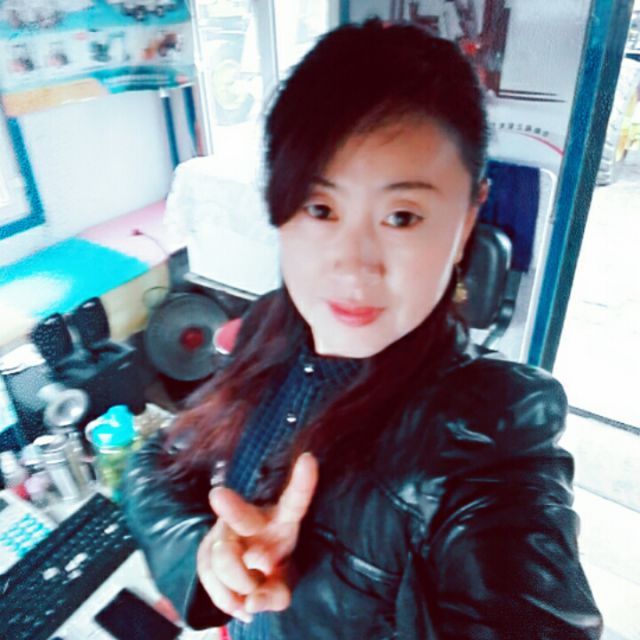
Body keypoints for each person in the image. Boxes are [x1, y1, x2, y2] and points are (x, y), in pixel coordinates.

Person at [122, 19, 603, 640]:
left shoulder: (487, 431)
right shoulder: (271, 323)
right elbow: (155, 463)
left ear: (465, 222)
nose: (353, 266)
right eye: (320, 208)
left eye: (401, 216)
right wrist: (206, 556)